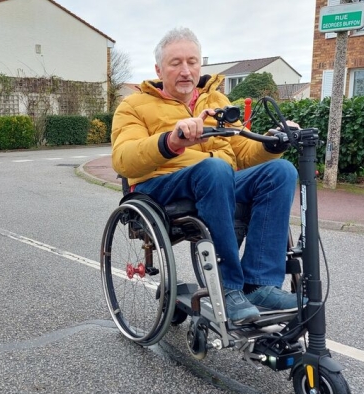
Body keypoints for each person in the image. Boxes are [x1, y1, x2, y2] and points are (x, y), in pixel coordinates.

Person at [111, 27, 301, 324]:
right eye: (175, 63)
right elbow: (124, 160)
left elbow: (243, 152)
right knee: (214, 169)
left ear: (201, 64)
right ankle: (226, 288)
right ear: (159, 69)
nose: (185, 71)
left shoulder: (218, 102)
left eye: (192, 62)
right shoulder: (133, 106)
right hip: (163, 185)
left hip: (219, 180)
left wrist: (273, 142)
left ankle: (259, 285)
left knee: (281, 171)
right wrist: (171, 142)